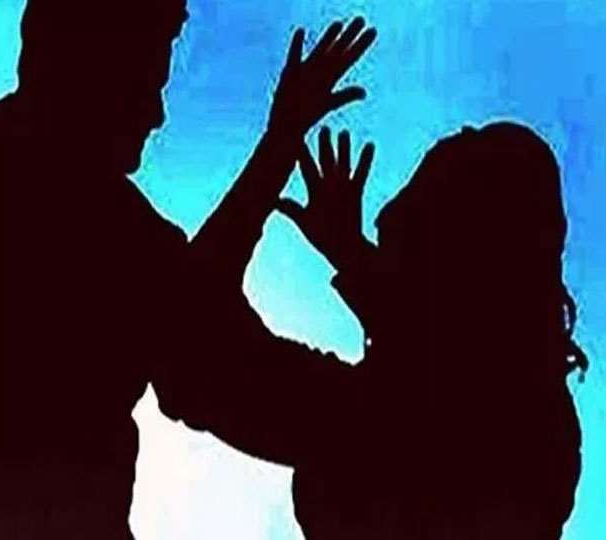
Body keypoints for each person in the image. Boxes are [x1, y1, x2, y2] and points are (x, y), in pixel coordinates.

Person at [0, 0, 376, 537]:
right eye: (146, 79)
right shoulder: (125, 248)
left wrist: (279, 149)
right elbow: (229, 372)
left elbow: (206, 347)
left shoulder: (128, 245)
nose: (156, 115)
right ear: (78, 61)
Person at [188, 122, 586, 538]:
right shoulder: (533, 427)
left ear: (457, 254)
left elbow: (200, 360)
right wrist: (356, 259)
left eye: (412, 210)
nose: (383, 217)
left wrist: (277, 147)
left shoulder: (387, 415)